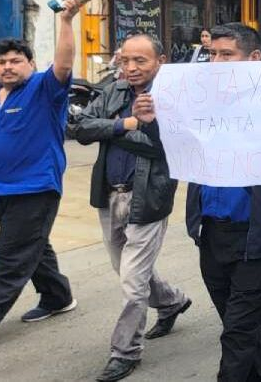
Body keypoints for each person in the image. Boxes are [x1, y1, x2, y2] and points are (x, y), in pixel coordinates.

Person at [162, 23, 261, 381]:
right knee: (243, 326)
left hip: (258, 236)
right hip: (212, 233)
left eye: (227, 55)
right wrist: (151, 122)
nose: (216, 63)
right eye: (212, 55)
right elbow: (178, 148)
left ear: (253, 59)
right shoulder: (199, 100)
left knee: (236, 333)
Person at [72, 33, 191, 381]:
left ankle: (125, 351)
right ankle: (172, 301)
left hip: (149, 197)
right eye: (125, 60)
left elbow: (165, 148)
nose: (131, 67)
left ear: (161, 61)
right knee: (125, 269)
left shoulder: (174, 97)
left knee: (132, 280)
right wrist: (126, 123)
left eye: (140, 60)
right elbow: (79, 128)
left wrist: (111, 131)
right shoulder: (113, 90)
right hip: (109, 193)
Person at [0, 0, 83, 344]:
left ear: (31, 63)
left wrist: (66, 22)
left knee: (10, 258)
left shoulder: (45, 90)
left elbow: (63, 62)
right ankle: (58, 297)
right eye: (1, 62)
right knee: (33, 245)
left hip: (35, 188)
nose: (8, 66)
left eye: (16, 60)